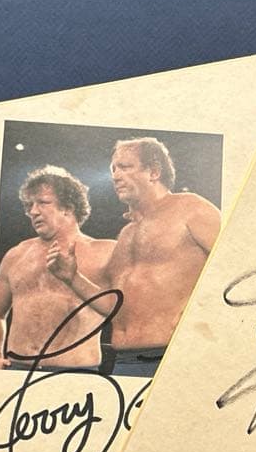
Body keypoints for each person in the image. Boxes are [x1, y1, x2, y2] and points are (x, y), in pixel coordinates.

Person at [47, 137, 220, 377]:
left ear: (154, 172)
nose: (116, 176)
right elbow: (114, 306)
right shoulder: (126, 234)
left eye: (125, 167)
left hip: (175, 358)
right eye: (113, 169)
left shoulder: (191, 208)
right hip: (124, 362)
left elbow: (237, 265)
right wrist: (72, 277)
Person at [0, 166, 114, 370]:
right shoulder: (16, 255)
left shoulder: (105, 252)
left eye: (43, 203)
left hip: (75, 372)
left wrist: (75, 278)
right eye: (30, 205)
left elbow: (127, 312)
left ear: (68, 208)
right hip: (17, 368)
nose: (33, 211)